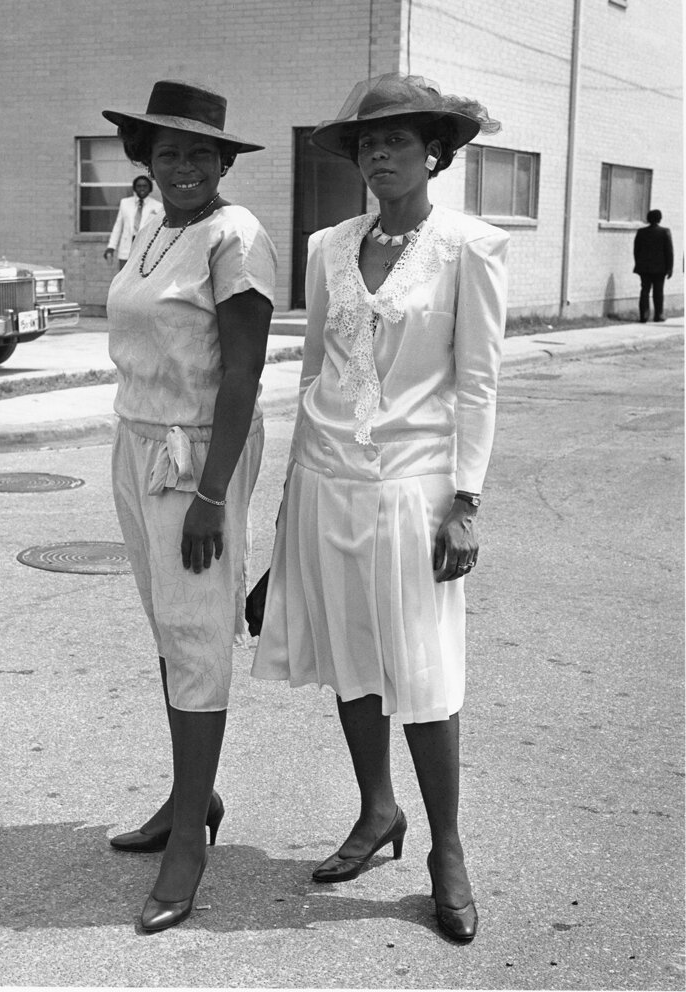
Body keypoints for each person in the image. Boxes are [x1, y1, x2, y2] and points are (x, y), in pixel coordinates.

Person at [252, 73, 508, 942]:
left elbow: (477, 384)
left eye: (399, 140)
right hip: (327, 484)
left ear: (434, 151)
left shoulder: (471, 247)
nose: (382, 154)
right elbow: (316, 374)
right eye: (369, 142)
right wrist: (287, 511)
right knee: (350, 659)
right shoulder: (329, 245)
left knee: (426, 674)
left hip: (414, 489)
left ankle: (447, 850)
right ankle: (375, 811)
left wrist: (465, 501)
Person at [102, 80, 276, 932]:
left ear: (222, 160)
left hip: (197, 454)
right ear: (147, 158)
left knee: (200, 633)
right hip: (137, 444)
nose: (183, 166)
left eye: (200, 153)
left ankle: (189, 852)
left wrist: (214, 494)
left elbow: (243, 373)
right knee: (170, 629)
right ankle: (187, 799)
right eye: (167, 151)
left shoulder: (232, 235)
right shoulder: (151, 229)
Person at [104, 174, 163, 269]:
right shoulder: (125, 203)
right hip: (126, 249)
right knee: (123, 278)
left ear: (150, 189)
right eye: (139, 186)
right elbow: (118, 227)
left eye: (145, 186)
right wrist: (111, 247)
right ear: (134, 188)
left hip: (145, 249)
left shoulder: (157, 206)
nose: (142, 189)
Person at [633, 209, 674, 322]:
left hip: (644, 267)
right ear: (659, 219)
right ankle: (658, 314)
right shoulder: (665, 232)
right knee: (658, 291)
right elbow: (669, 251)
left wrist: (638, 263)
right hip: (660, 268)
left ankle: (644, 315)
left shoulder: (641, 232)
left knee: (645, 290)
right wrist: (670, 268)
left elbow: (636, 250)